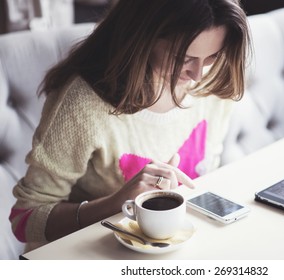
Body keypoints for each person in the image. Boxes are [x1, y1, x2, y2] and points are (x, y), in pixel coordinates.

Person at [10, 0, 250, 251]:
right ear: (144, 38)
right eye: (184, 58)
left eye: (212, 56)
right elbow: (25, 219)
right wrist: (116, 203)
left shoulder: (215, 80)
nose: (198, 75)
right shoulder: (84, 103)